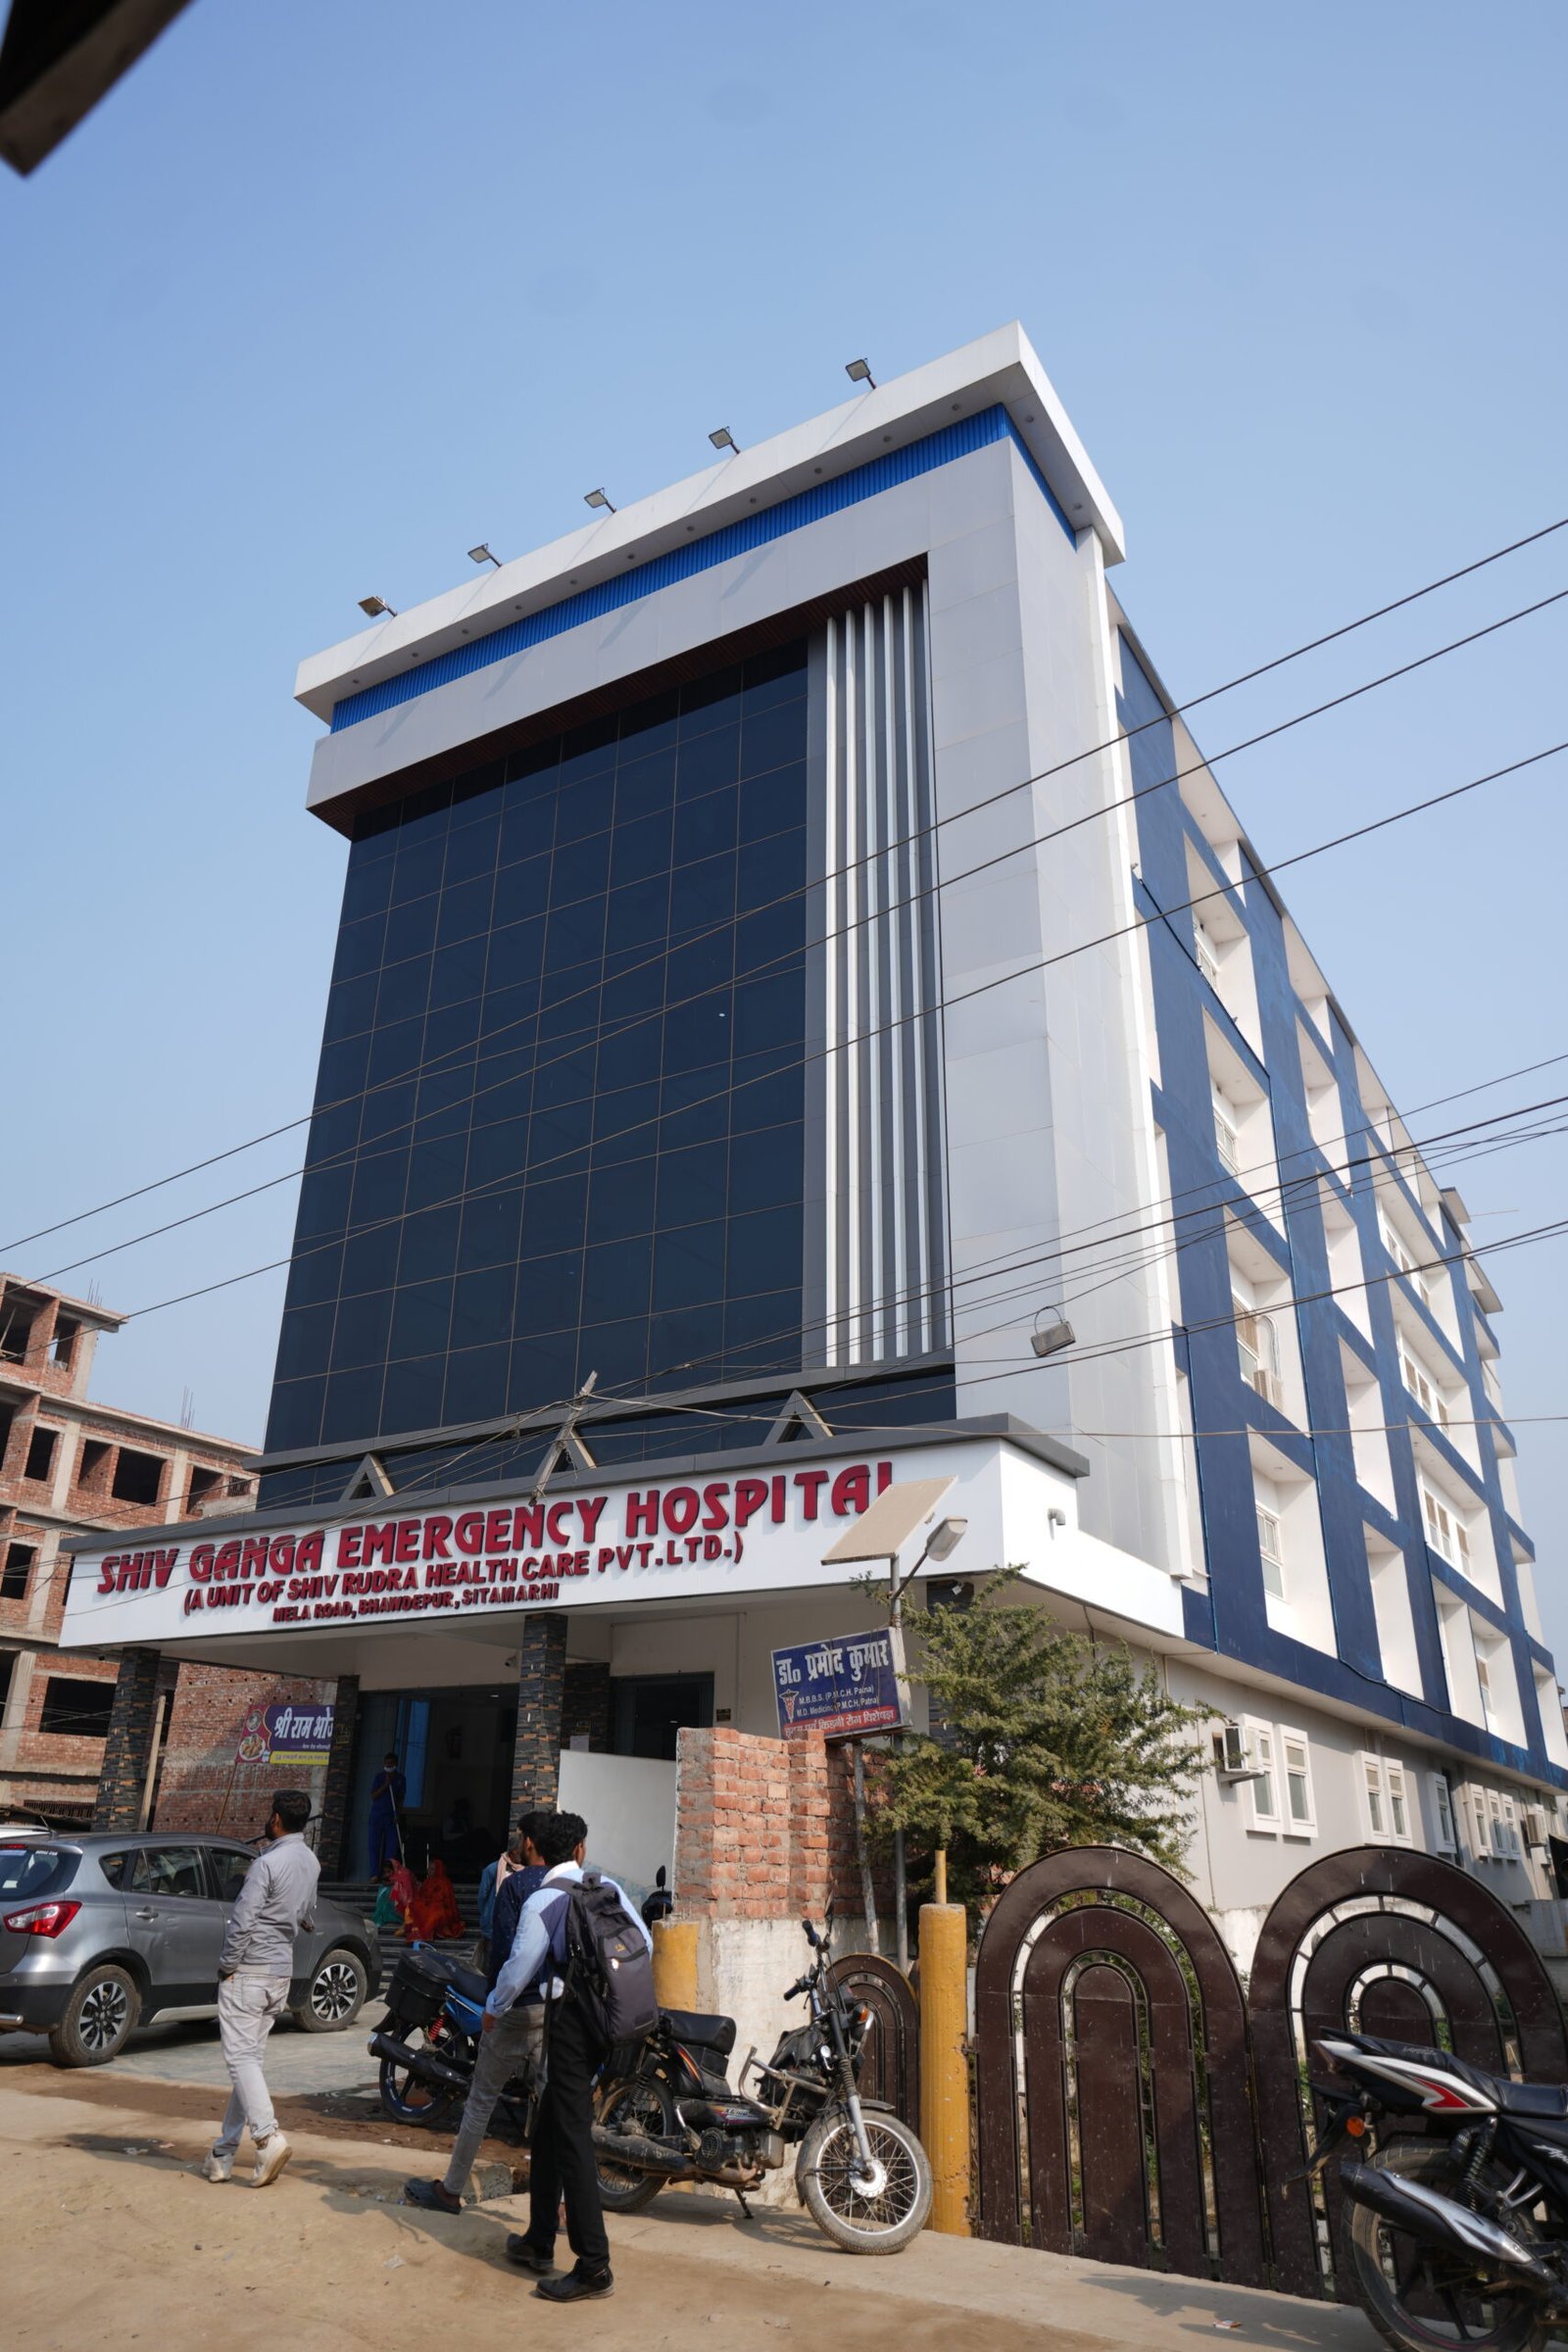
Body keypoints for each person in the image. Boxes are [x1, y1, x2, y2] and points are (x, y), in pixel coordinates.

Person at [506, 1812, 651, 2301]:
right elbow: (645, 1944)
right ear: (580, 1850)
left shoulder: (543, 1899)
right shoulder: (608, 1889)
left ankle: (594, 2266)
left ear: (535, 1850)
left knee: (571, 2138)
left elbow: (519, 1968)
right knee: (551, 2124)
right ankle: (538, 2238)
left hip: (568, 2022)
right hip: (608, 2021)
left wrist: (493, 2008)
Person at [403, 1814, 551, 2218]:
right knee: (555, 2108)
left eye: (521, 1836)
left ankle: (450, 2190)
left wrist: (493, 2006)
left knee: (481, 2100)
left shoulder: (517, 1885)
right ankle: (558, 2206)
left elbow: (503, 1954)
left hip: (515, 2008)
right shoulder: (572, 1886)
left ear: (530, 1843)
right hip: (553, 2010)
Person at [203, 1789, 320, 2188]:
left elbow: (243, 1920)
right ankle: (222, 2154)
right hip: (280, 1972)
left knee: (241, 2060)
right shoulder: (311, 1862)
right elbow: (306, 1915)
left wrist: (226, 1965)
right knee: (248, 2062)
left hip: (249, 1970)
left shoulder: (266, 1864)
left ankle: (267, 2138)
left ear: (276, 1820)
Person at [405, 1853, 463, 1942]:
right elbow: (420, 1895)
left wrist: (428, 1902)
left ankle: (427, 1933)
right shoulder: (427, 1881)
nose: (429, 1871)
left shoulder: (445, 1883)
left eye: (432, 1869)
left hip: (441, 1908)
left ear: (438, 1870)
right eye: (429, 1869)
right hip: (427, 1905)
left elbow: (444, 1900)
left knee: (434, 1913)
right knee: (411, 1907)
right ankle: (415, 1931)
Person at [368, 1751, 405, 1876]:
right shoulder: (379, 1777)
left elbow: (400, 1799)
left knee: (392, 1848)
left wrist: (398, 1814)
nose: (388, 1765)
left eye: (391, 1763)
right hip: (377, 1816)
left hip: (391, 1817)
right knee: (374, 1846)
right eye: (386, 1763)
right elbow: (373, 1796)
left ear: (396, 1764)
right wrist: (385, 1785)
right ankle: (374, 1874)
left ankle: (388, 1874)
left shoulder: (400, 1779)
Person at [371, 1860, 403, 1934]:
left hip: (397, 1893)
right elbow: (385, 1881)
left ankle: (391, 1916)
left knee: (389, 1892)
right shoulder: (385, 1880)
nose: (387, 1874)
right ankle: (382, 1915)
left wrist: (394, 1882)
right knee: (384, 1891)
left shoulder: (401, 1875)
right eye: (385, 1872)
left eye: (389, 1871)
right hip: (388, 1889)